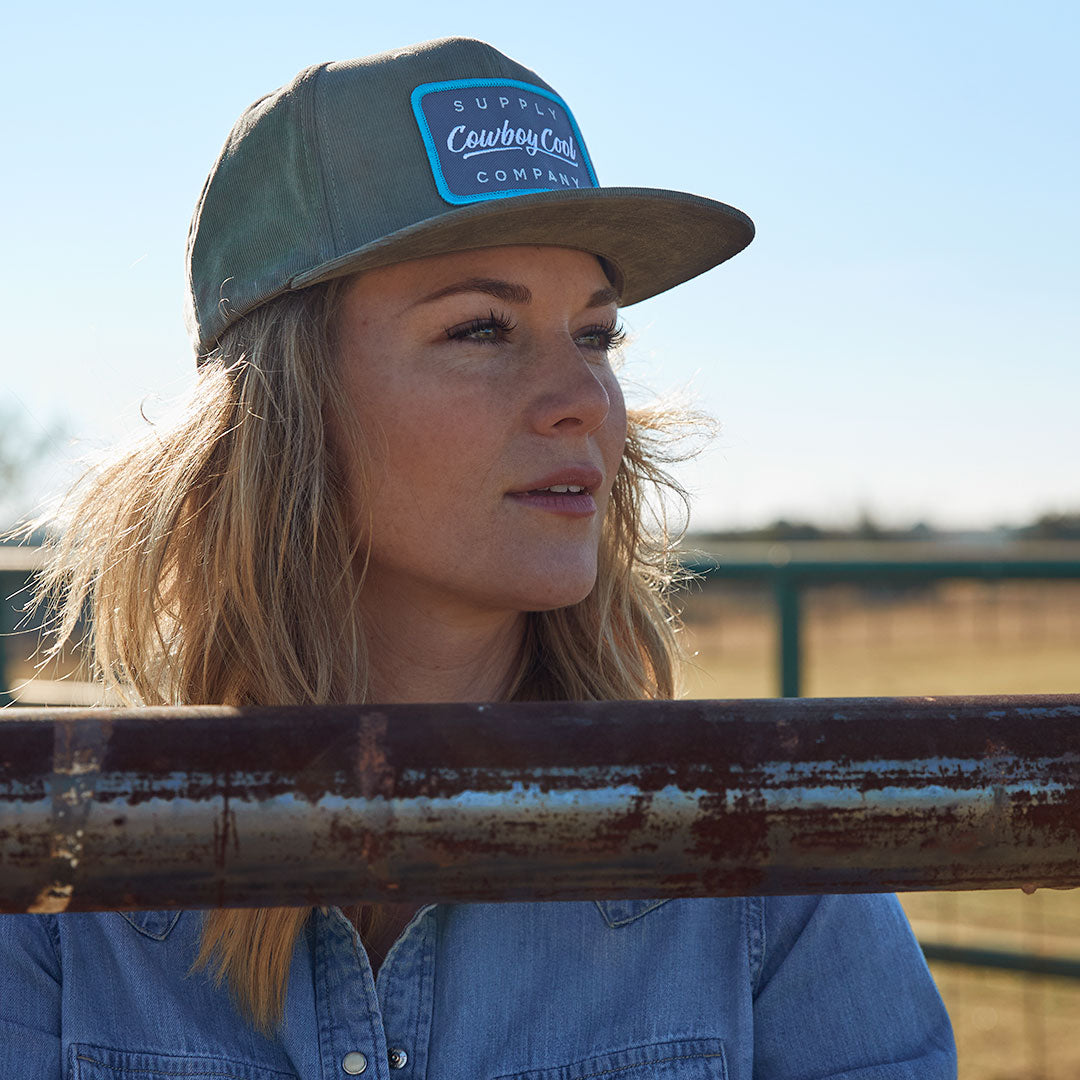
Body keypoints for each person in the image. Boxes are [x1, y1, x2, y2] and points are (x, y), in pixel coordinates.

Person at [0, 37, 956, 1079]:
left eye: (596, 336)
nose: (585, 401)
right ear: (286, 410)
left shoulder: (763, 856)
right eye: (483, 329)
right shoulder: (51, 873)